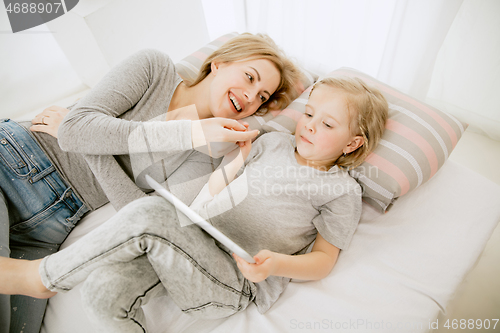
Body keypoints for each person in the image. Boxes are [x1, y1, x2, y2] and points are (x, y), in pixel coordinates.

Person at [0, 76, 389, 332]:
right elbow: (217, 186)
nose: (308, 126)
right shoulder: (272, 142)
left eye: (327, 125)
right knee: (101, 292)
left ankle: (40, 278)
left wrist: (277, 264)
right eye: (308, 114)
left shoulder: (341, 191)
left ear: (353, 143)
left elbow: (324, 260)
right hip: (188, 246)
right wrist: (234, 160)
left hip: (233, 281)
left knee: (151, 213)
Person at [0, 33, 301, 333]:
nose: (251, 97)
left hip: (52, 226)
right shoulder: (154, 68)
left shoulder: (206, 157)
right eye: (250, 77)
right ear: (218, 64)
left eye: (262, 96)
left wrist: (82, 140)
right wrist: (188, 131)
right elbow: (78, 127)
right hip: (18, 161)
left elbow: (141, 214)